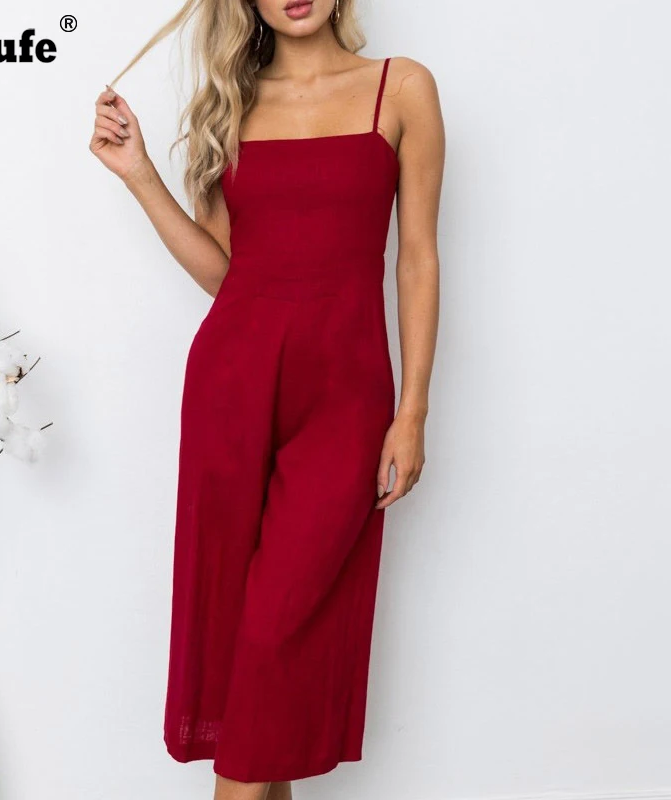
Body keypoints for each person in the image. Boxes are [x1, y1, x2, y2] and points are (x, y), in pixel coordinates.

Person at [90, 1, 444, 798]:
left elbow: (417, 257)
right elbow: (228, 275)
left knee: (275, 636)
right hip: (233, 390)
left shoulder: (402, 89)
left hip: (346, 404)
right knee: (249, 657)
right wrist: (140, 174)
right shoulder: (231, 106)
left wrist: (413, 410)